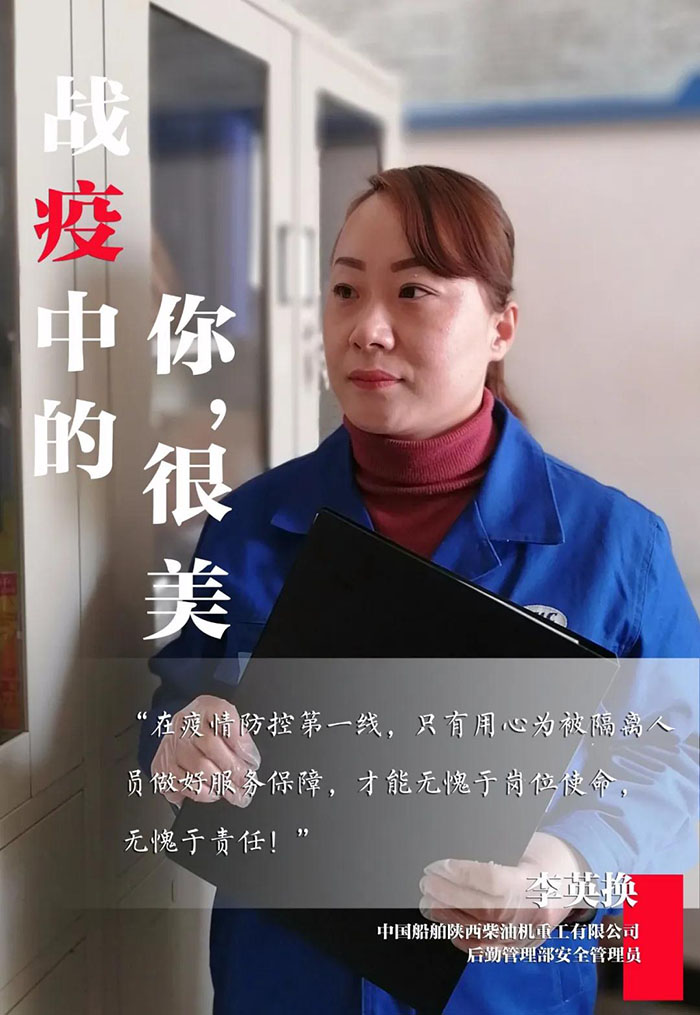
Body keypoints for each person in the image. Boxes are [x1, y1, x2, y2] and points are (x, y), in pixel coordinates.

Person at [139, 165, 700, 1014]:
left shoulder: (617, 547)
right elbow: (173, 705)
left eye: (412, 291)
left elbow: (679, 758)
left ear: (501, 328)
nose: (367, 328)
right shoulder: (248, 524)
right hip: (281, 988)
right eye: (344, 290)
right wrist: (180, 737)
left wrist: (571, 866)